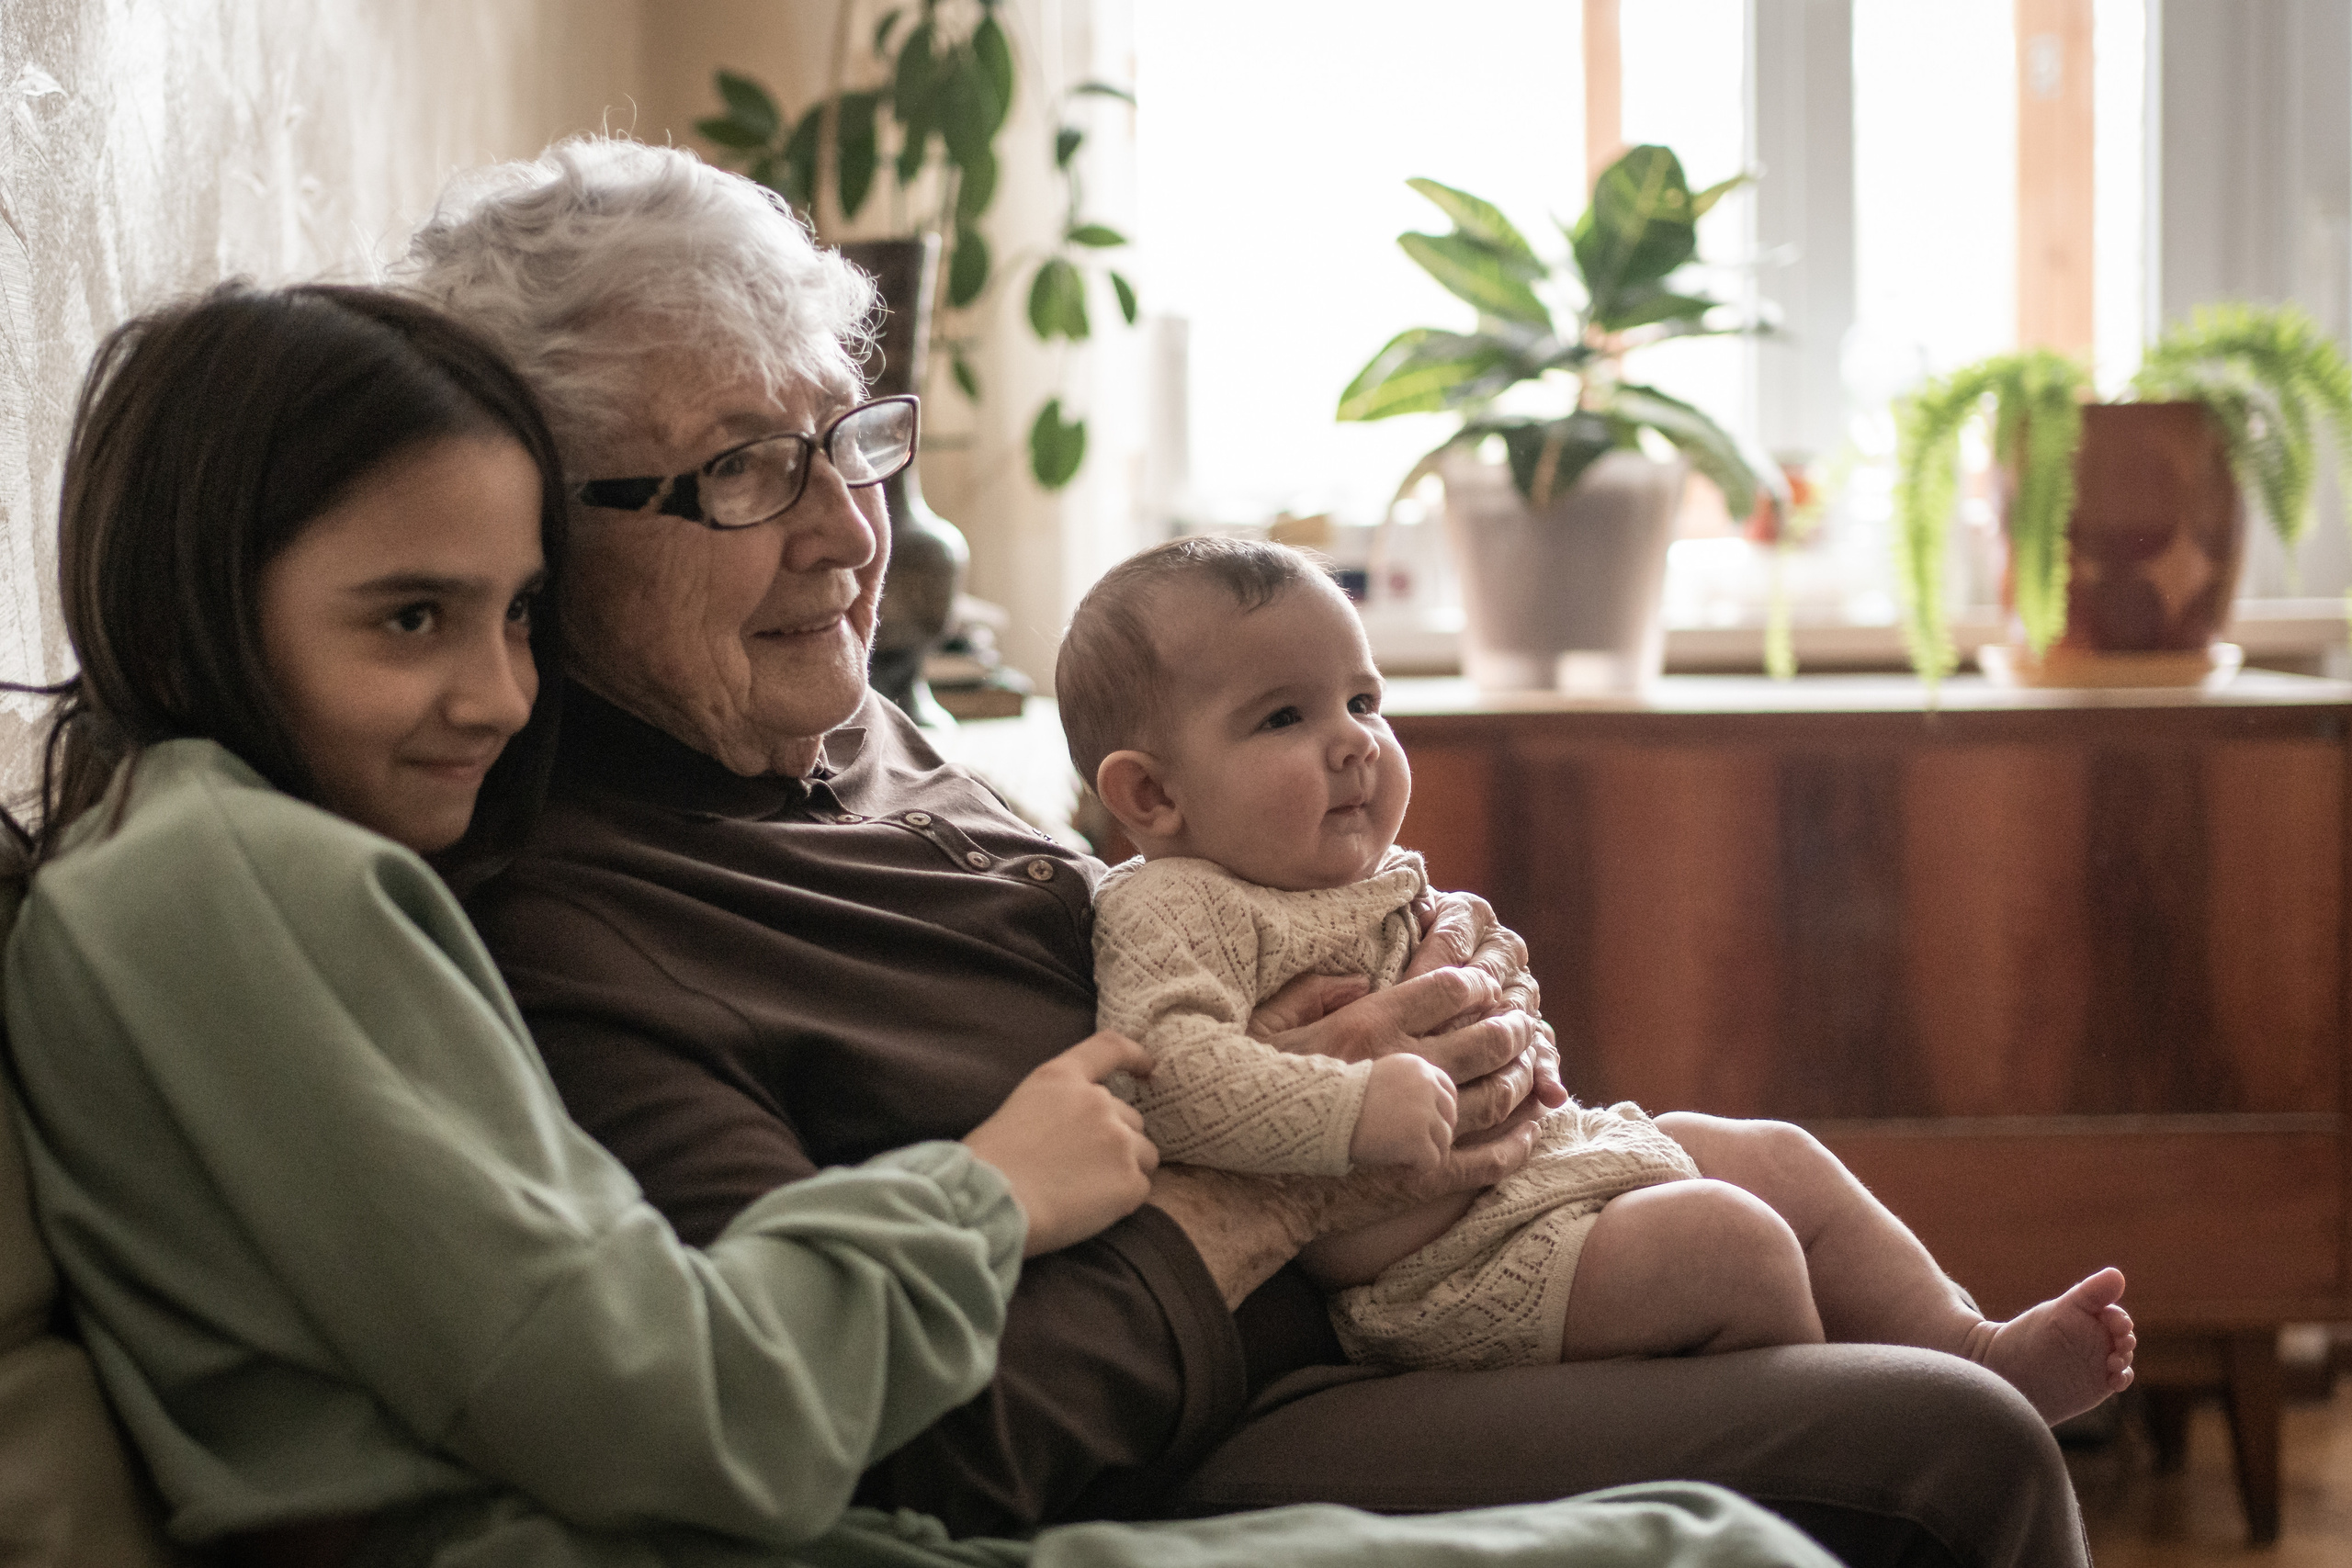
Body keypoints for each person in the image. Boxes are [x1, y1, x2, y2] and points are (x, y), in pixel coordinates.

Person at [409, 137, 2095, 1568]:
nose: (851, 533)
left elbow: (1183, 924)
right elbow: (878, 1451)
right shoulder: (582, 932)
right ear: (542, 532)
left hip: (1386, 1269)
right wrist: (1277, 1178)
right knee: (1950, 1444)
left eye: (848, 438)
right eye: (742, 472)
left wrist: (1421, 977)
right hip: (1220, 1415)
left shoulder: (847, 727)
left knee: (1806, 1225)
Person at [0, 283, 1839, 1568]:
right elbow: (681, 1410)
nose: (495, 693)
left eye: (514, 616)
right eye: (409, 618)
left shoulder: (248, 860)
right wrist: (995, 1186)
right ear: (193, 603)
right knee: (1737, 1536)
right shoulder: (241, 879)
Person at [1056, 535, 2137, 1417]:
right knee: (1732, 1247)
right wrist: (1355, 1105)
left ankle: (1969, 1352)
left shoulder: (1364, 872)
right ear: (1151, 796)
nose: (1354, 744)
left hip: (1555, 1170)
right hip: (1437, 1274)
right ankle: (1824, 1477)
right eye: (1285, 717)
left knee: (1781, 1158)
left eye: (1365, 703)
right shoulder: (1171, 904)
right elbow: (1165, 1076)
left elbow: (1496, 1022)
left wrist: (1498, 995)